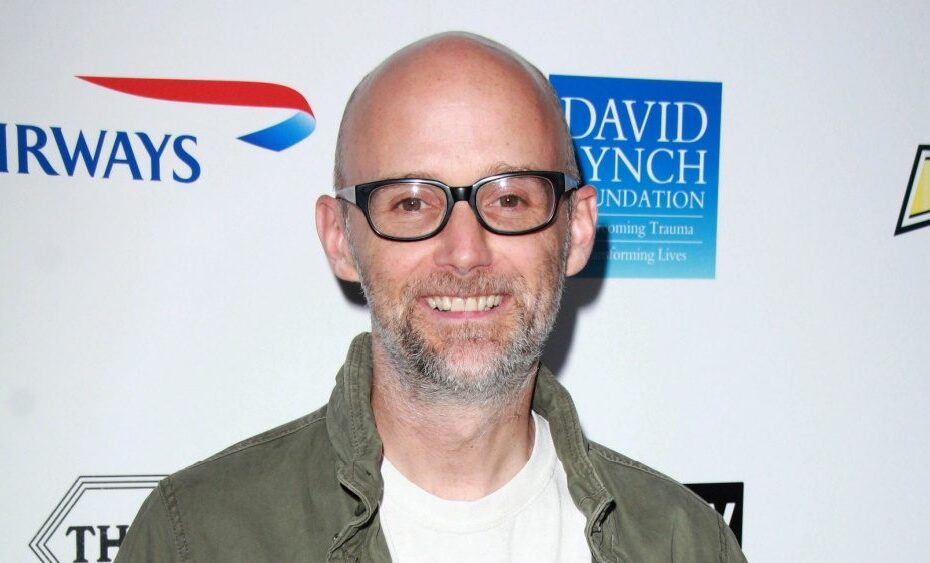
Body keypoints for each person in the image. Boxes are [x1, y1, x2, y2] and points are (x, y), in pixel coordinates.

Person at [115, 32, 746, 562]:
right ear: (340, 238)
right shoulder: (195, 539)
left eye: (509, 198)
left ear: (576, 230)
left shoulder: (684, 545)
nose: (465, 252)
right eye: (412, 203)